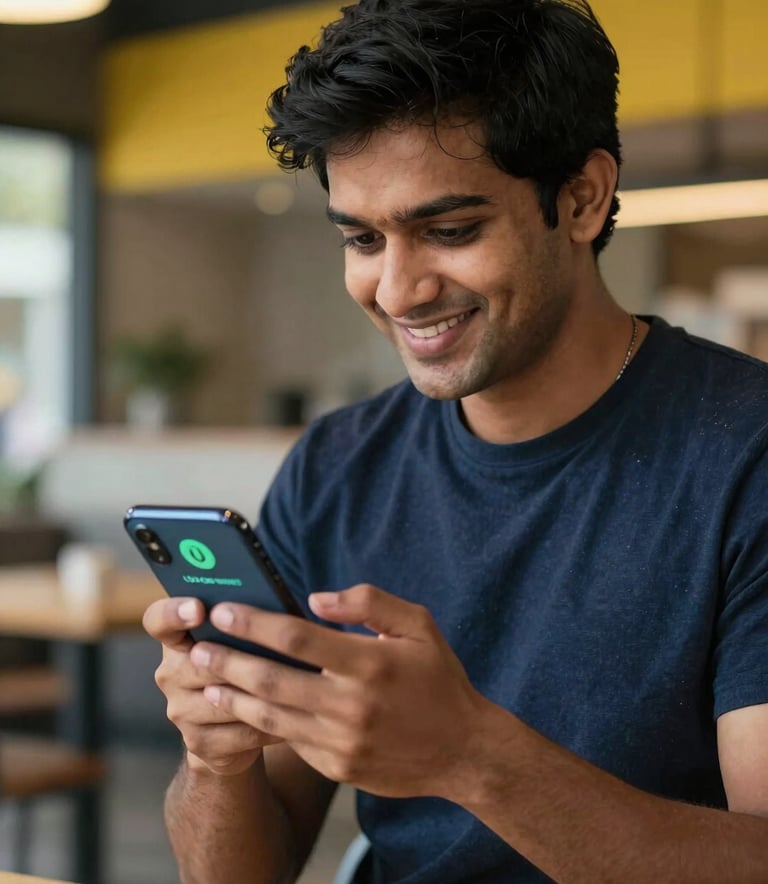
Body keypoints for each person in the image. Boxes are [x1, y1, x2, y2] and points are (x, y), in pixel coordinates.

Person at [142, 1, 768, 881]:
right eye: (363, 239)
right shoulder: (336, 466)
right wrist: (216, 758)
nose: (398, 291)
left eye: (449, 231)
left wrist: (469, 756)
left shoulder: (746, 454)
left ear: (582, 199)